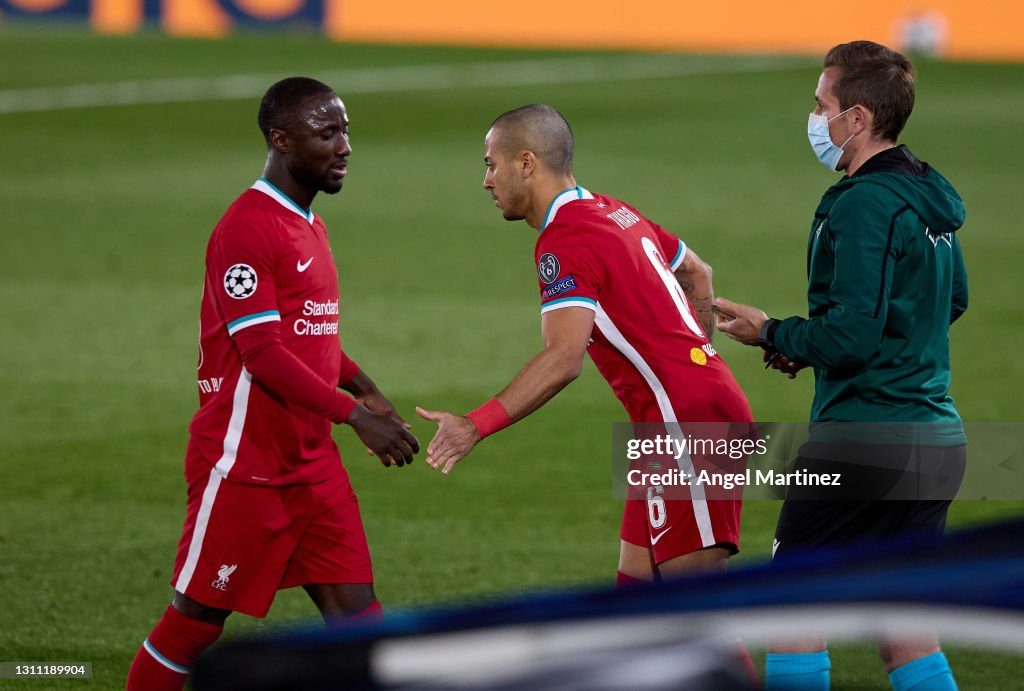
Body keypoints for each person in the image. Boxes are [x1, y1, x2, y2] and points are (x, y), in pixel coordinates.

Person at [126, 77, 420, 691]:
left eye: (345, 130)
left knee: (359, 624)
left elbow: (312, 335)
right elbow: (262, 352)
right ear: (281, 141)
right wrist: (354, 415)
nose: (344, 147)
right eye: (327, 132)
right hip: (244, 468)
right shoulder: (247, 228)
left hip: (312, 467)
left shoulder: (308, 223)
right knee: (194, 624)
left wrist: (364, 386)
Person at [416, 103, 755, 587]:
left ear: (526, 163)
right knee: (634, 598)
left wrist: (474, 425)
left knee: (694, 620)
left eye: (491, 164)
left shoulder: (565, 238)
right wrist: (695, 354)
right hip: (673, 418)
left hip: (684, 422)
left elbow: (564, 357)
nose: (487, 181)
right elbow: (697, 271)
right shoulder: (613, 210)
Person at [715, 41, 966, 691]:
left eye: (820, 104)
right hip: (936, 437)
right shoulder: (929, 196)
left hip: (864, 436)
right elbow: (950, 300)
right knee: (904, 626)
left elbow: (853, 335)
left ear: (857, 118)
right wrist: (808, 342)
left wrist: (774, 331)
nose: (814, 117)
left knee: (794, 609)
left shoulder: (862, 203)